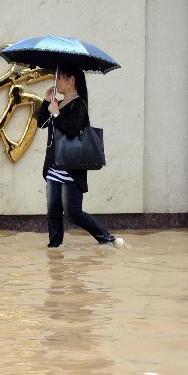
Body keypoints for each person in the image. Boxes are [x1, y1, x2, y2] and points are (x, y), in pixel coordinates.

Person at [36, 63, 125, 248]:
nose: (56, 81)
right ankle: (54, 249)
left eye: (59, 77)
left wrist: (57, 114)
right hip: (54, 164)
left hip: (71, 167)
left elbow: (72, 131)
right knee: (53, 211)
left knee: (73, 212)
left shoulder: (79, 104)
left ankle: (108, 239)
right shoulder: (57, 101)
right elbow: (41, 123)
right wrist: (47, 102)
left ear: (71, 80)